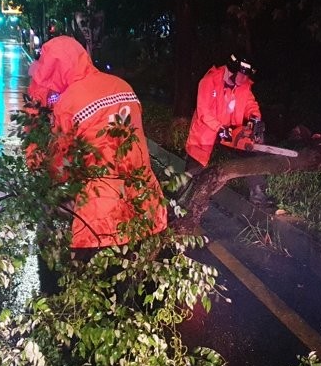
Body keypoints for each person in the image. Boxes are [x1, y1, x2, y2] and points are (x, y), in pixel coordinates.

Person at [25, 35, 168, 254]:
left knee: (97, 277)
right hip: (143, 198)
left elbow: (60, 165)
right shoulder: (122, 85)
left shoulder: (70, 101)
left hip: (99, 210)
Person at [184, 53, 272, 205]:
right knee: (194, 167)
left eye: (246, 76)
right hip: (207, 130)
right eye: (242, 75)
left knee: (252, 152)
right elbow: (203, 111)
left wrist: (255, 118)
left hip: (231, 130)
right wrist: (219, 128)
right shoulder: (209, 81)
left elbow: (251, 105)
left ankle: (258, 193)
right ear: (233, 69)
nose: (244, 80)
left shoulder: (244, 86)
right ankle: (183, 199)